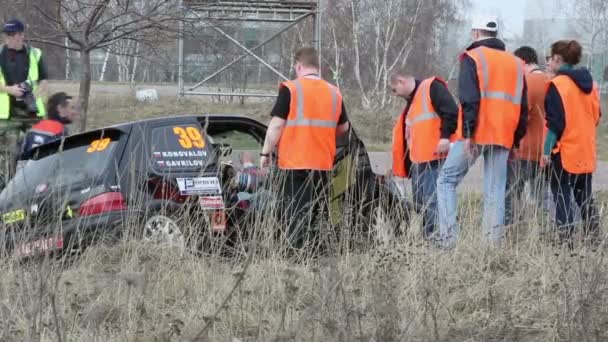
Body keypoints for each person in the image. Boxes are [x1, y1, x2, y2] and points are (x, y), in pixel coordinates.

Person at [436, 15, 528, 248]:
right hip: (505, 135)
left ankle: (448, 241)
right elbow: (523, 106)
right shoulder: (516, 63)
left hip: (477, 133)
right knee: (495, 191)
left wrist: (468, 133)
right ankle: (490, 247)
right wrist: (516, 141)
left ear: (476, 33)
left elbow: (468, 98)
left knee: (446, 180)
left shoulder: (472, 57)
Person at [260, 47, 350, 250]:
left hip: (294, 162)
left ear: (298, 66)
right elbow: (343, 128)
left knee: (295, 212)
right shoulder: (334, 92)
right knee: (316, 212)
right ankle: (313, 254)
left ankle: (295, 255)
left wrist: (265, 152)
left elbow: (276, 125)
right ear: (318, 67)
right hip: (323, 164)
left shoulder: (290, 89)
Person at [542, 40, 601, 245]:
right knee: (584, 197)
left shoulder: (557, 85)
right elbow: (596, 117)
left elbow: (555, 123)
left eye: (550, 58)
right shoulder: (590, 85)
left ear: (558, 59)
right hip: (585, 150)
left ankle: (566, 242)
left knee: (561, 196)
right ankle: (595, 238)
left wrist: (546, 150)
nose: (549, 62)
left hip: (564, 153)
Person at [389, 70, 458, 240]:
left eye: (394, 90)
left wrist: (444, 138)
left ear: (400, 81)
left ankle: (435, 238)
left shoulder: (431, 87)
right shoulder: (412, 102)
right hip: (418, 162)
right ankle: (430, 236)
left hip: (435, 158)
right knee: (421, 203)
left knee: (432, 201)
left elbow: (451, 112)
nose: (394, 94)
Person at [505, 46, 551, 225]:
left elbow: (521, 115)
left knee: (512, 193)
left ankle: (514, 228)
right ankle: (541, 230)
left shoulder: (527, 82)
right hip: (545, 149)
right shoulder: (551, 80)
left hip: (524, 148)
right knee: (542, 196)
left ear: (522, 61)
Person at [0, 19, 48, 179]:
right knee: (8, 157)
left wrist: (34, 95)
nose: (9, 38)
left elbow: (44, 80)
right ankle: (8, 194)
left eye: (13, 34)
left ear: (21, 35)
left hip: (32, 113)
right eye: (7, 35)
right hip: (7, 116)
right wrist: (10, 90)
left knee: (39, 154)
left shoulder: (36, 54)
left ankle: (36, 190)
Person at [19, 92, 77, 160]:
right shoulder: (60, 132)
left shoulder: (33, 129)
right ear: (60, 109)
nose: (75, 112)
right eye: (72, 108)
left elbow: (22, 157)